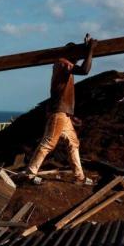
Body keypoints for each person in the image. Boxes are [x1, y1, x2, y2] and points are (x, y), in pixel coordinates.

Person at [27, 34, 97, 185]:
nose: (78, 58)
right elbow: (85, 70)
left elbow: (81, 67)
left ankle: (79, 177)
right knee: (49, 143)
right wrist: (91, 49)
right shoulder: (61, 63)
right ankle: (30, 173)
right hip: (58, 112)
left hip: (63, 113)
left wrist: (69, 116)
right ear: (70, 54)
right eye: (76, 55)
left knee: (73, 143)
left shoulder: (66, 67)